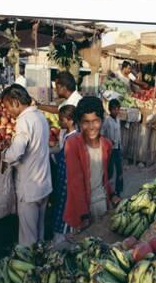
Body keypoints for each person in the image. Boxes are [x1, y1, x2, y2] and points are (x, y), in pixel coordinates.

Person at [0, 84, 52, 247]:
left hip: (29, 188)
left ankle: (29, 269)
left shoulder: (24, 120)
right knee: (39, 234)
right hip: (43, 185)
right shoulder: (40, 116)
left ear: (16, 102)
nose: (8, 111)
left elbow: (16, 153)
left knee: (28, 239)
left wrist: (4, 155)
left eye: (8, 107)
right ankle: (42, 265)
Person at [64, 97, 120, 232]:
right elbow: (75, 182)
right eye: (86, 122)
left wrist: (113, 195)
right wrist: (84, 216)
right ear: (79, 123)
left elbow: (104, 177)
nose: (91, 127)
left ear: (102, 120)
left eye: (95, 121)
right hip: (82, 209)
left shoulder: (106, 144)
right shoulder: (72, 144)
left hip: (102, 204)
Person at [51, 105, 78, 243]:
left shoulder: (72, 139)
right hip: (64, 179)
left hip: (67, 180)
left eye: (62, 120)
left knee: (64, 209)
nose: (59, 123)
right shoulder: (71, 137)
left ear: (71, 121)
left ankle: (62, 239)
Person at [101, 99, 124, 197]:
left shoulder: (118, 120)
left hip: (117, 148)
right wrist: (108, 141)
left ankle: (118, 191)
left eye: (118, 109)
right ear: (110, 110)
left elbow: (118, 134)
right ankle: (106, 190)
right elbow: (102, 134)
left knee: (119, 170)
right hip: (110, 149)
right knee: (109, 171)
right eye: (114, 109)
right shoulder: (107, 121)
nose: (116, 111)